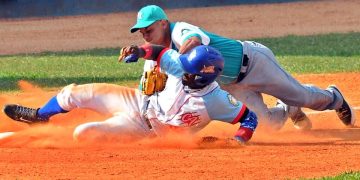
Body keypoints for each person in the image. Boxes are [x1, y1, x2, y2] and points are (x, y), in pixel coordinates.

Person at [127, 5, 356, 130]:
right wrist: (137, 52)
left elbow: (195, 40)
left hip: (253, 62)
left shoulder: (180, 30)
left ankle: (334, 97)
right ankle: (288, 109)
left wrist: (182, 58)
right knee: (266, 125)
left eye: (149, 30)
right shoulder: (158, 52)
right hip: (232, 85)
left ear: (163, 23)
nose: (145, 35)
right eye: (142, 32)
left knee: (302, 96)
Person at [3, 45, 258, 143]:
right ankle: (39, 115)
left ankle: (46, 139)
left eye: (190, 72)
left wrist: (238, 140)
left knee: (84, 134)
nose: (183, 72)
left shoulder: (217, 101)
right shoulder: (182, 65)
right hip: (137, 100)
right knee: (73, 93)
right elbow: (158, 51)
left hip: (142, 128)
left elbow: (249, 119)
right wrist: (139, 51)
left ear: (206, 75)